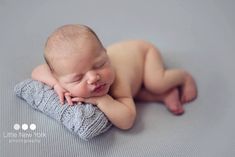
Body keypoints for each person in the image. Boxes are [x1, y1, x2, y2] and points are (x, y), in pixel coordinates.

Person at [31, 24, 197, 130]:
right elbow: (37, 71)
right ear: (58, 77)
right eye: (77, 78)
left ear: (106, 55)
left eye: (100, 64)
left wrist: (102, 100)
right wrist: (56, 85)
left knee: (155, 83)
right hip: (134, 77)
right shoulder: (61, 74)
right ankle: (164, 95)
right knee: (136, 93)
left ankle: (183, 77)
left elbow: (127, 120)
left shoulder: (117, 83)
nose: (94, 77)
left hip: (144, 53)